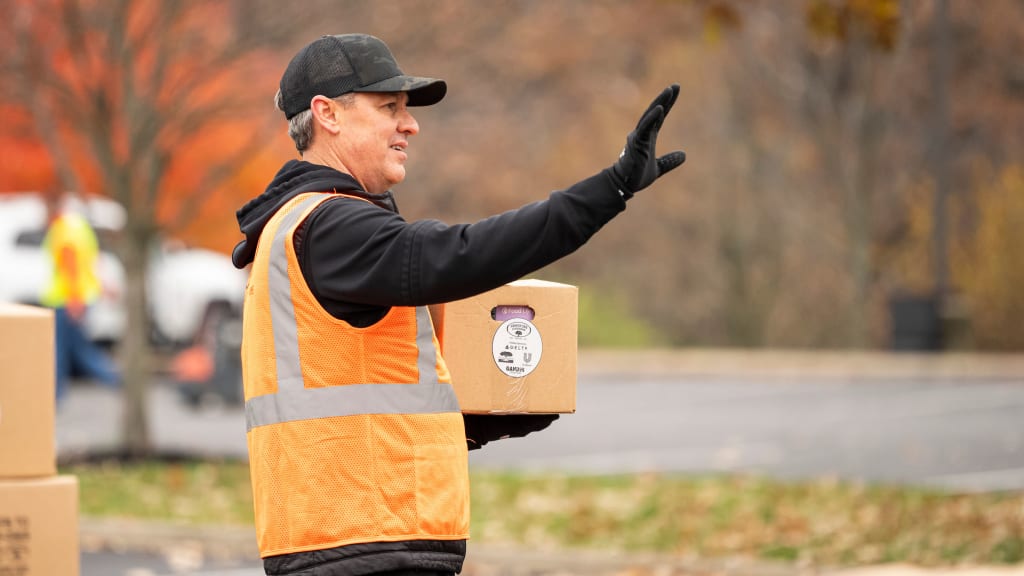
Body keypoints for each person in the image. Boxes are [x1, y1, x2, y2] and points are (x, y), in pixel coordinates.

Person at [231, 33, 685, 576]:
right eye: (389, 108)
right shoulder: (332, 226)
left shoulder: (300, 228)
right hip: (366, 548)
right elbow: (457, 255)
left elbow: (360, 411)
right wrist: (607, 190)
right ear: (328, 114)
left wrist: (492, 416)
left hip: (348, 542)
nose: (410, 125)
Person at [40, 195, 121, 404]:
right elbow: (92, 261)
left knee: (62, 349)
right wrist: (103, 286)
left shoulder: (63, 229)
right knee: (74, 347)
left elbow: (71, 264)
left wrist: (74, 298)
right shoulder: (80, 227)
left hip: (67, 299)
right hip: (81, 297)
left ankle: (113, 379)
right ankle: (113, 379)